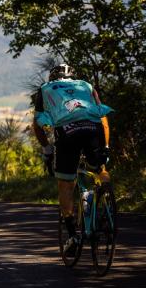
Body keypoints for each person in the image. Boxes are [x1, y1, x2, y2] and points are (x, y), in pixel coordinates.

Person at [32, 64, 113, 255]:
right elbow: (102, 117)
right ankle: (107, 202)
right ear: (74, 77)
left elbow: (37, 125)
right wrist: (106, 147)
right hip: (94, 130)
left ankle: (72, 237)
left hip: (68, 133)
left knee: (65, 184)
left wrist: (48, 151)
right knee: (100, 169)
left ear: (52, 78)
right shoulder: (86, 86)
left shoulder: (45, 89)